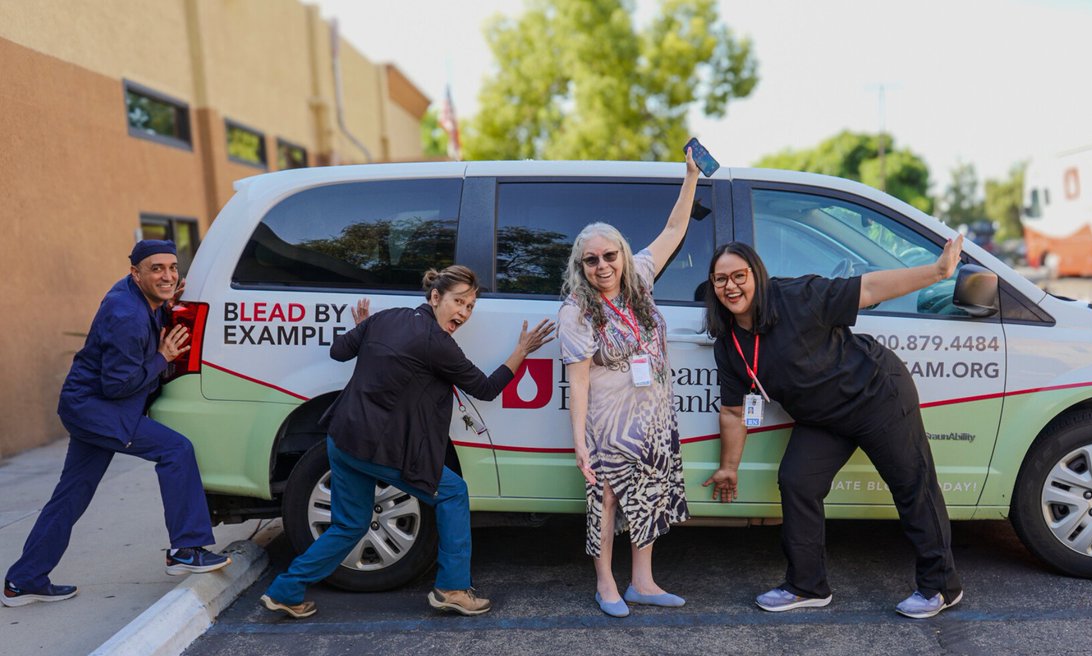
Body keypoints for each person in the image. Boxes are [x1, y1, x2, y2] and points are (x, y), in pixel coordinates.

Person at [260, 266, 555, 619]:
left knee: (349, 526)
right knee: (453, 492)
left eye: (470, 306)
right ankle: (453, 589)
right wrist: (522, 350)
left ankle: (285, 590)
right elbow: (486, 389)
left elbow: (339, 351)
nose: (463, 312)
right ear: (435, 297)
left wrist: (362, 328)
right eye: (458, 302)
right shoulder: (436, 343)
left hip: (342, 438)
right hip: (379, 449)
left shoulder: (386, 318)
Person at [700, 237, 966, 619]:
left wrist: (938, 272)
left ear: (756, 274)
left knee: (912, 484)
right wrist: (729, 466)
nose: (731, 286)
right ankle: (807, 585)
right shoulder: (728, 344)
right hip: (824, 418)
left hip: (876, 395)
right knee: (798, 481)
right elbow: (733, 411)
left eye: (739, 275)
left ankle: (941, 586)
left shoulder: (797, 296)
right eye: (720, 279)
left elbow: (870, 287)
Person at [3, 240, 230, 607]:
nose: (167, 275)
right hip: (99, 410)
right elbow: (117, 385)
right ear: (135, 273)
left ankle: (23, 579)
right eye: (156, 269)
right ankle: (186, 549)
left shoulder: (137, 297)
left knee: (71, 495)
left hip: (87, 407)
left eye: (172, 268)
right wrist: (162, 357)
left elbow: (149, 319)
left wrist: (168, 303)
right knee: (176, 450)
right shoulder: (126, 315)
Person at [557, 148, 700, 617]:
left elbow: (675, 230)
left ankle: (643, 581)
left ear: (621, 252)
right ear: (581, 267)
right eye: (592, 260)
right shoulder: (576, 312)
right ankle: (606, 585)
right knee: (609, 497)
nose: (603, 266)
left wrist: (691, 175)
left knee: (651, 491)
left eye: (609, 255)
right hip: (610, 416)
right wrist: (579, 441)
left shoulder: (639, 276)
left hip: (653, 412)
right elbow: (577, 383)